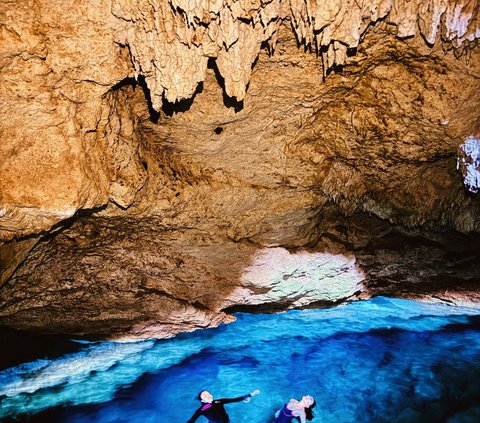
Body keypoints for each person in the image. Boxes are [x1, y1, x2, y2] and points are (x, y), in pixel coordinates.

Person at [187, 389, 260, 423]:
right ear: (202, 400)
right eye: (205, 395)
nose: (208, 395)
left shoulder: (218, 401)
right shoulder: (202, 409)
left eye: (208, 393)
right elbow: (191, 421)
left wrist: (251, 394)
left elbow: (235, 400)